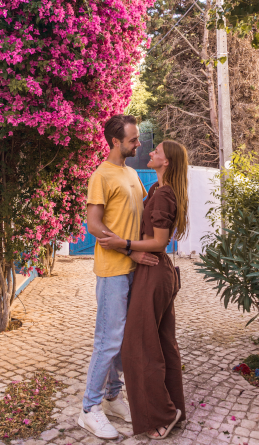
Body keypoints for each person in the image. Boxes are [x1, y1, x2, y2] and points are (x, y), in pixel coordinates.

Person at [98, 140, 188, 440]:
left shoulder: (163, 194)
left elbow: (160, 242)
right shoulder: (157, 190)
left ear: (167, 162)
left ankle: (163, 414)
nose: (150, 152)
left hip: (154, 271)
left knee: (138, 345)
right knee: (162, 342)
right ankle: (174, 407)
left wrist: (124, 245)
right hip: (156, 271)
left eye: (157, 152)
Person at [78, 114, 159, 440]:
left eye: (137, 138)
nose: (138, 144)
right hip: (113, 270)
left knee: (123, 340)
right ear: (114, 141)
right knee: (108, 340)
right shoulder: (102, 175)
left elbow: (140, 213)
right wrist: (130, 251)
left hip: (133, 268)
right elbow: (94, 226)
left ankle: (112, 397)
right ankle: (89, 409)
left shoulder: (129, 173)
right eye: (132, 140)